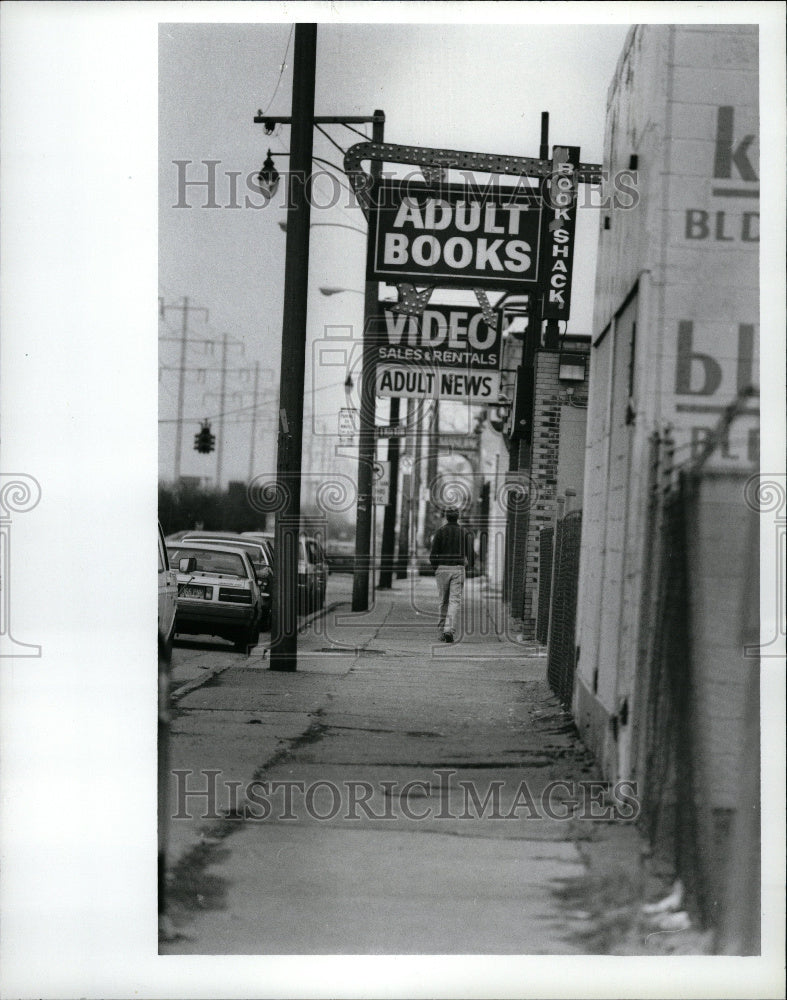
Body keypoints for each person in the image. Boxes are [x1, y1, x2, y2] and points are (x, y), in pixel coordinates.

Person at [429, 507, 474, 643]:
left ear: (446, 517)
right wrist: (469, 566)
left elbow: (433, 554)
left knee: (443, 600)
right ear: (458, 517)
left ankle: (441, 630)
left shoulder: (440, 532)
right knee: (454, 600)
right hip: (458, 568)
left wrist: (436, 567)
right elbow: (470, 554)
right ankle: (449, 630)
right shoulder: (465, 532)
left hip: (442, 568)